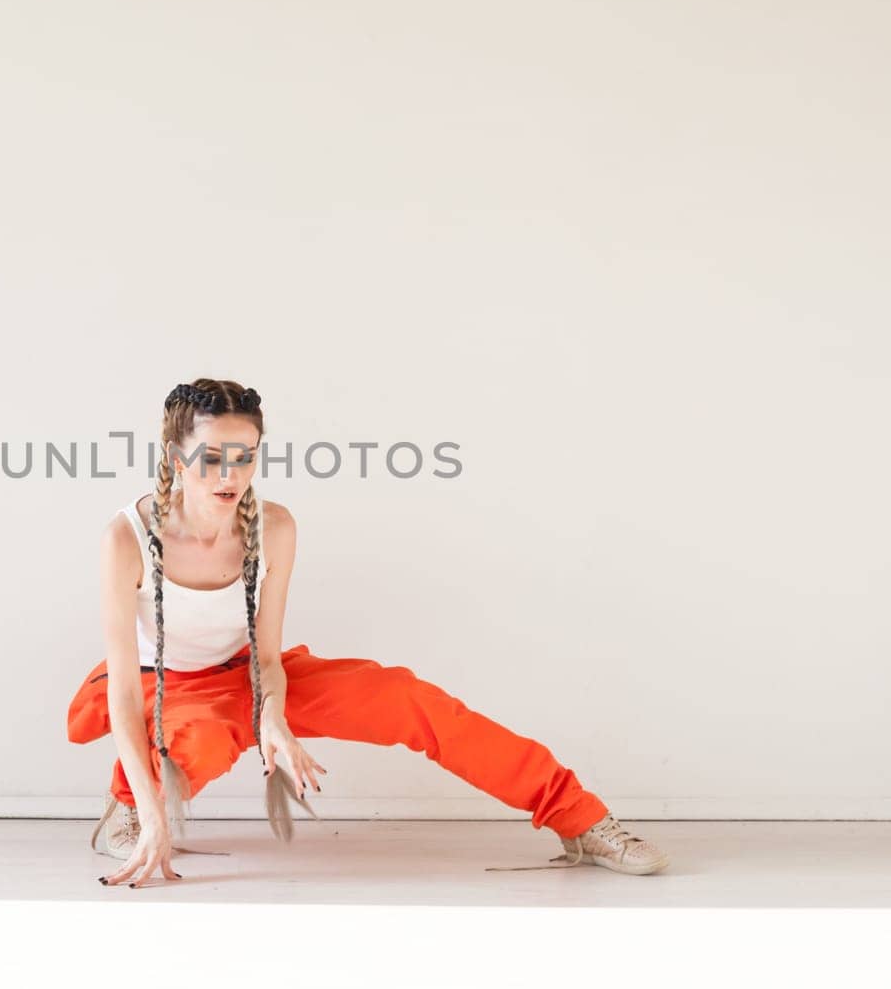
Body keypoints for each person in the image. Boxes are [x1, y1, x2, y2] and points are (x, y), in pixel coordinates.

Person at [66, 378, 671, 889]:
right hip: (165, 687)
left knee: (408, 699)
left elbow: (269, 656)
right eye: (213, 457)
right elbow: (122, 689)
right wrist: (152, 813)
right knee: (194, 745)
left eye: (245, 456)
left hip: (250, 674)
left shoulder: (273, 527)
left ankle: (581, 819)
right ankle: (127, 810)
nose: (231, 474)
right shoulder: (126, 538)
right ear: (176, 457)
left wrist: (271, 715)